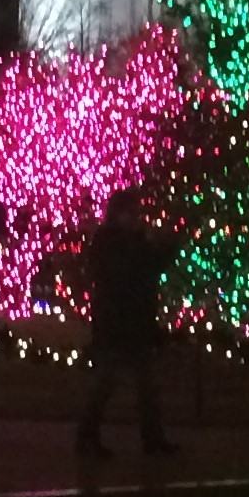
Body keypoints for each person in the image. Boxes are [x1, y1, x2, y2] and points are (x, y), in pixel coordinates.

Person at [78, 188, 177, 459]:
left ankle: (153, 439)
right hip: (116, 320)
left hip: (137, 320)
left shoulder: (136, 240)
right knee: (107, 381)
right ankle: (87, 436)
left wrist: (167, 248)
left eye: (138, 212)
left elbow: (149, 269)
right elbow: (121, 275)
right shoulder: (108, 241)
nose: (136, 217)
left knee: (146, 384)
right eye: (131, 212)